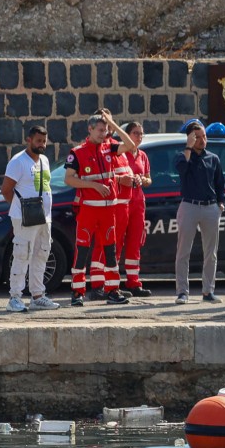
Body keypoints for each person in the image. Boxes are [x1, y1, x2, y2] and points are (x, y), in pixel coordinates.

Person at [64, 109, 138, 307]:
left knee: (110, 252)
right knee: (82, 252)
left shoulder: (109, 148)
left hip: (109, 211)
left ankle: (113, 290)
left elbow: (130, 145)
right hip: (89, 210)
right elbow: (69, 179)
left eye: (105, 130)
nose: (103, 133)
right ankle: (77, 292)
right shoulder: (77, 152)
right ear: (89, 129)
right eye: (99, 130)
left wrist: (113, 125)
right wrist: (94, 186)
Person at [0, 125, 60, 312]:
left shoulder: (44, 160)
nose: (42, 144)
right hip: (24, 217)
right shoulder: (18, 162)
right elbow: (6, 190)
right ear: (29, 140)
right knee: (22, 253)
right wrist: (19, 209)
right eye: (38, 141)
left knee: (42, 252)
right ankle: (15, 297)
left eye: (44, 141)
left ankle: (37, 295)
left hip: (44, 216)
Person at [174, 120, 225, 304]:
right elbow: (181, 170)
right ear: (190, 138)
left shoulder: (213, 158)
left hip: (210, 207)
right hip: (189, 205)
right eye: (198, 137)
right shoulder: (183, 156)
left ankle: (208, 291)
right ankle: (182, 292)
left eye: (204, 136)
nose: (202, 140)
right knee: (183, 251)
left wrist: (221, 203)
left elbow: (220, 183)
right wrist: (188, 148)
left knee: (210, 252)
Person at [119, 122, 152, 297]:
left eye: (141, 133)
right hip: (122, 202)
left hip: (138, 203)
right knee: (116, 243)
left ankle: (133, 283)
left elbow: (148, 179)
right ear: (127, 135)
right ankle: (111, 283)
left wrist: (142, 180)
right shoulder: (120, 153)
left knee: (135, 243)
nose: (139, 137)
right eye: (135, 133)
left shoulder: (143, 156)